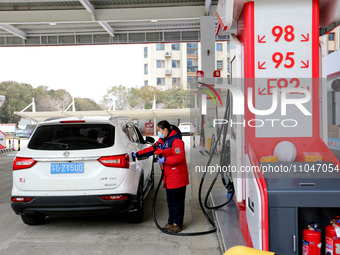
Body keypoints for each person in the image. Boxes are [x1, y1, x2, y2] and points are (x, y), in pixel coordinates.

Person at [132, 120, 189, 233]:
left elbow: (179, 158)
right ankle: (170, 222)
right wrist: (137, 154)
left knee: (177, 203)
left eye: (159, 130)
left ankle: (177, 224)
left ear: (165, 130)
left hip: (178, 177)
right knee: (170, 202)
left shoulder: (176, 141)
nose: (158, 132)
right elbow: (150, 149)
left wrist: (165, 160)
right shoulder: (161, 142)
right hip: (168, 178)